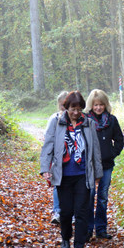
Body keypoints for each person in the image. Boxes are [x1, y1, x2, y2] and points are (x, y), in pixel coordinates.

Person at [40, 91, 102, 248]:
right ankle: (66, 237)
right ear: (66, 108)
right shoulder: (57, 123)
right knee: (66, 212)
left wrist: (98, 173)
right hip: (64, 175)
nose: (76, 112)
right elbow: (48, 146)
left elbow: (95, 149)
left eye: (79, 109)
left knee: (82, 212)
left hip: (83, 174)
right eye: (73, 109)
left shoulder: (88, 123)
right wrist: (45, 168)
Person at [85, 89, 124, 240]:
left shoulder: (111, 120)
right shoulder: (86, 120)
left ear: (105, 104)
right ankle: (88, 229)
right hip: (89, 165)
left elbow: (119, 140)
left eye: (101, 105)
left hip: (107, 164)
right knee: (89, 196)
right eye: (95, 105)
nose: (98, 108)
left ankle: (101, 228)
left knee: (103, 197)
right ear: (91, 105)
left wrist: (111, 153)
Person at [50, 90, 68, 226]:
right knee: (58, 185)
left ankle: (70, 213)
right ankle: (57, 211)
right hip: (58, 158)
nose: (64, 108)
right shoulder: (54, 119)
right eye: (62, 105)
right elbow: (48, 139)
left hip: (72, 158)